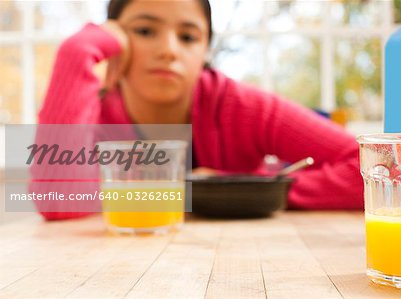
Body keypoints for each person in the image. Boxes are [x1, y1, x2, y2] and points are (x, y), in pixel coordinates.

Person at [36, 0, 364, 220]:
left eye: (188, 36)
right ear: (114, 39)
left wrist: (247, 190)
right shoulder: (91, 112)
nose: (168, 50)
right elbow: (56, 197)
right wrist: (76, 51)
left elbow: (376, 168)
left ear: (205, 48)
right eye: (145, 31)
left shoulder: (244, 107)